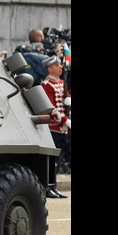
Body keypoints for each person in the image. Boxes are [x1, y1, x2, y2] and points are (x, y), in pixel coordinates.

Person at [41, 55, 70, 198]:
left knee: (58, 161)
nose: (60, 67)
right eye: (57, 65)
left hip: (62, 129)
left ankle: (54, 187)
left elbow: (65, 100)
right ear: (50, 68)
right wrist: (65, 120)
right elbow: (51, 109)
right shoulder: (46, 85)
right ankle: (48, 188)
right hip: (53, 128)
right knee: (51, 161)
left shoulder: (60, 83)